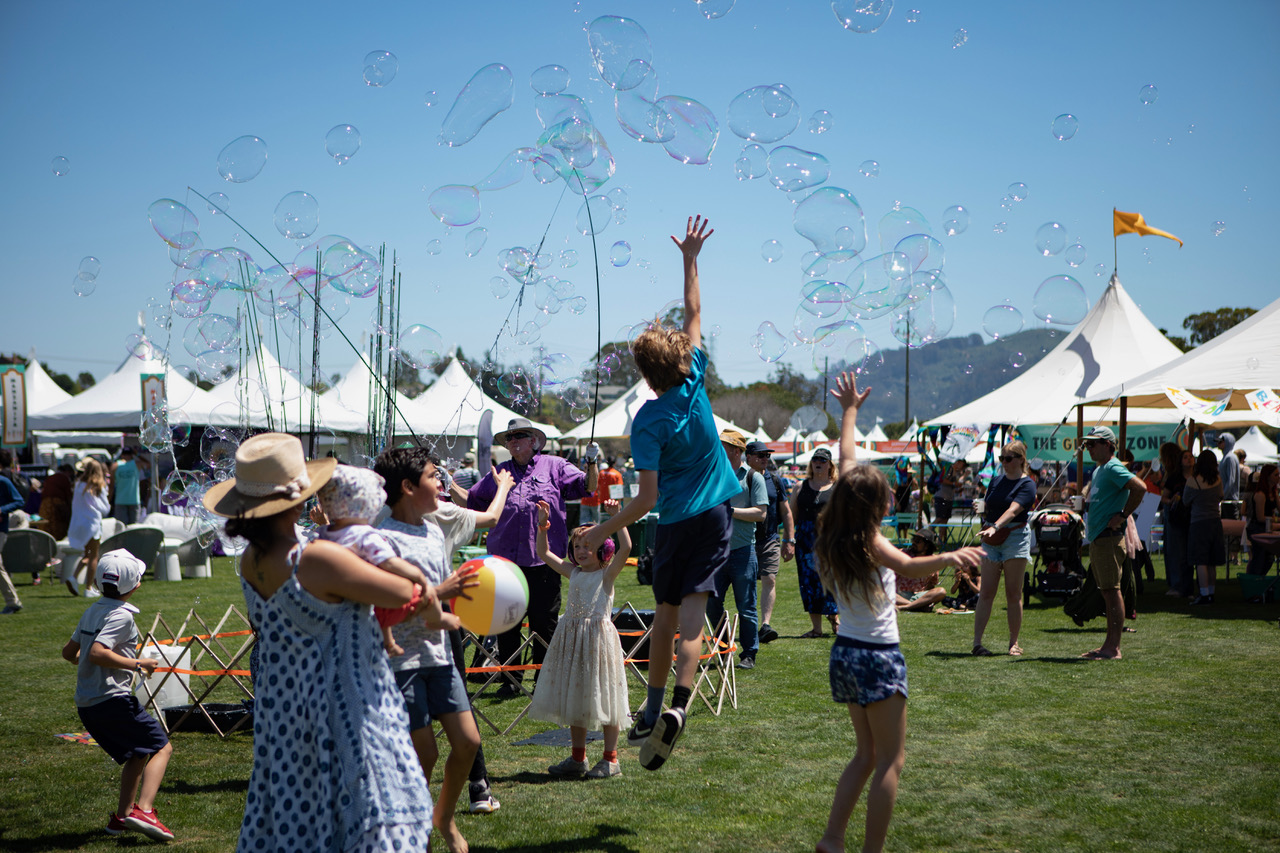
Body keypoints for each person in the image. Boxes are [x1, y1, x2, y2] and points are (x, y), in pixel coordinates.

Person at [203, 433, 437, 851]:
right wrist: (366, 540)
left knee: (304, 821)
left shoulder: (250, 559)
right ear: (294, 501)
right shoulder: (315, 558)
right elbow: (402, 592)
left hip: (286, 713)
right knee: (370, 811)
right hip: (343, 705)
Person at [580, 214, 740, 772]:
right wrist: (691, 257)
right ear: (679, 361)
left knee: (665, 617)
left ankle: (650, 707)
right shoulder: (695, 378)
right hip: (716, 516)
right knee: (693, 620)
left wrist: (601, 528)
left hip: (672, 522)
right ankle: (677, 707)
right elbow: (695, 313)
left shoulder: (647, 421)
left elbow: (644, 501)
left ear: (647, 376)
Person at [815, 372, 982, 853]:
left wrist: (849, 412)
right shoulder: (870, 540)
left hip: (845, 654)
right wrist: (949, 557)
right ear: (875, 506)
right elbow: (909, 564)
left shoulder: (832, 538)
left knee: (865, 755)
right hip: (878, 657)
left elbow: (847, 462)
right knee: (891, 761)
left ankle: (831, 839)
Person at [376, 447, 513, 819]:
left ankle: (443, 816)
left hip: (439, 654)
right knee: (425, 753)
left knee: (468, 741)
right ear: (407, 486)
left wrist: (449, 603)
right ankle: (410, 825)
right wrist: (441, 596)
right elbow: (384, 600)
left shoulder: (435, 528)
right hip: (401, 658)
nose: (443, 483)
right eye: (434, 476)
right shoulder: (382, 537)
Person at [465, 419, 597, 697]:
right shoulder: (500, 473)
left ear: (534, 441)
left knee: (543, 623)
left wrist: (592, 461)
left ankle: (545, 681)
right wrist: (446, 483)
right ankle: (510, 682)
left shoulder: (555, 466)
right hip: (505, 563)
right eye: (509, 437)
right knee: (507, 622)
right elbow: (472, 501)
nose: (513, 440)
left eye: (519, 435)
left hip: (544, 561)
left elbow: (588, 487)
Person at [61, 549, 175, 840]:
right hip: (112, 700)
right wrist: (139, 663)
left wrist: (85, 659)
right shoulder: (121, 616)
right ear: (135, 585)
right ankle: (145, 811)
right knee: (162, 748)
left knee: (138, 753)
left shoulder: (92, 610)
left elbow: (69, 652)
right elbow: (98, 652)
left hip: (88, 704)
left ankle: (122, 817)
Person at [531, 498, 632, 778]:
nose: (582, 550)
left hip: (599, 641)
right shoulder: (572, 571)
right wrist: (542, 524)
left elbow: (627, 548)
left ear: (603, 548)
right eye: (577, 546)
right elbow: (543, 553)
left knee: (607, 696)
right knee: (576, 696)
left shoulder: (607, 574)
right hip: (572, 640)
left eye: (588, 545)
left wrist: (617, 517)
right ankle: (578, 759)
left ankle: (610, 759)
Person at [314, 464, 448, 657]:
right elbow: (389, 562)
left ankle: (390, 641)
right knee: (411, 597)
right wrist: (417, 575)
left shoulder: (323, 534)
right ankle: (435, 619)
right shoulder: (366, 536)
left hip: (334, 613)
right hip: (368, 610)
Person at [1080, 426, 1147, 658]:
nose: (1088, 448)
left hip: (1109, 540)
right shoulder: (1101, 469)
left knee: (1112, 591)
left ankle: (1113, 648)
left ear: (1108, 445)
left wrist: (1123, 515)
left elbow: (1140, 487)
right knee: (1107, 591)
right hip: (1101, 539)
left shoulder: (1113, 466)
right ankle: (1109, 645)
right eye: (1086, 444)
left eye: (1093, 444)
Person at [707, 429, 766, 670]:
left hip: (743, 551)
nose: (718, 449)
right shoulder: (714, 474)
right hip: (715, 553)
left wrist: (730, 512)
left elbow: (761, 514)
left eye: (723, 446)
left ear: (736, 451)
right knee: (711, 604)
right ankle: (723, 649)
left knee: (746, 607)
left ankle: (748, 653)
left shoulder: (753, 477)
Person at [971, 441, 1037, 657]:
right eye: (1002, 459)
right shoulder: (996, 481)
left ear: (1021, 460)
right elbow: (991, 505)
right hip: (991, 537)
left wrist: (996, 526)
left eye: (1008, 459)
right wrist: (981, 508)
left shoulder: (1027, 484)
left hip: (1015, 537)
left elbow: (1013, 510)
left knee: (1013, 593)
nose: (1004, 463)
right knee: (986, 592)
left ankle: (1013, 643)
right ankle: (977, 643)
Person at [745, 440, 794, 645]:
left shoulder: (775, 480)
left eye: (767, 455)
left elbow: (786, 511)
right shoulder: (741, 479)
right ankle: (748, 624)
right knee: (745, 584)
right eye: (760, 455)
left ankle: (765, 625)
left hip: (770, 539)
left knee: (770, 579)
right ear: (748, 457)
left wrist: (789, 539)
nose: (765, 459)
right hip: (745, 540)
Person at [791, 447, 841, 637]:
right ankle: (816, 629)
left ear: (830, 465)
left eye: (822, 460)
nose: (818, 462)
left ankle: (835, 619)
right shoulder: (800, 487)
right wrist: (788, 540)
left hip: (829, 540)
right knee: (808, 582)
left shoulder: (837, 488)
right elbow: (791, 516)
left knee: (831, 580)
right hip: (805, 541)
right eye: (815, 460)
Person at [1184, 449, 1227, 605]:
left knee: (1200, 560)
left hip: (1198, 523)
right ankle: (1211, 593)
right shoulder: (1218, 479)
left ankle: (1203, 594)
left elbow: (1185, 501)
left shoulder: (1192, 481)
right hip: (1215, 521)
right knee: (1211, 561)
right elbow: (1221, 496)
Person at [66, 458, 112, 598]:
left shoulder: (79, 484)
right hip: (92, 525)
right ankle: (88, 587)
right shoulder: (98, 487)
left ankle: (73, 578)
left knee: (87, 555)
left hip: (80, 524)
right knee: (94, 557)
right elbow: (105, 509)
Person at [1158, 444, 1194, 597]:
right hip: (1178, 515)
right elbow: (1165, 496)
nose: (1189, 459)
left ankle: (1181, 585)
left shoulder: (1193, 476)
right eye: (1185, 457)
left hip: (1188, 516)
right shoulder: (1175, 477)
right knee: (1178, 550)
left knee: (1180, 551)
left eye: (1190, 457)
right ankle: (1178, 584)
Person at [894, 528, 949, 612]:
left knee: (941, 591)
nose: (914, 543)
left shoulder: (933, 562)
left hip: (919, 596)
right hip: (899, 594)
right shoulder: (902, 553)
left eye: (918, 541)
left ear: (927, 546)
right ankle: (916, 606)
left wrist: (927, 597)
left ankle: (908, 606)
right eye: (913, 540)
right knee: (882, 592)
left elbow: (931, 585)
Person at [0, 460, 27, 615]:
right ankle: (12, 602)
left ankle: (13, 602)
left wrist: (2, 510)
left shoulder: (3, 482)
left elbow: (19, 501)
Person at [1245, 463, 1278, 576]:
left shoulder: (1273, 492)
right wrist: (1275, 521)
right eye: (1276, 475)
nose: (1278, 477)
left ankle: (1258, 582)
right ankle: (1254, 583)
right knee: (1259, 558)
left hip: (1266, 527)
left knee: (1268, 559)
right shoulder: (1260, 494)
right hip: (1257, 528)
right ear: (1268, 476)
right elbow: (1260, 517)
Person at [37, 462, 75, 541]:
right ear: (67, 472)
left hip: (45, 505)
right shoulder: (64, 478)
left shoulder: (50, 477)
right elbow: (68, 495)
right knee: (57, 528)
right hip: (57, 505)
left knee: (45, 526)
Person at [110, 448, 147, 525]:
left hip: (120, 500)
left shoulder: (115, 466)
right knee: (133, 527)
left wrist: (109, 500)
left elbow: (111, 486)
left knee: (121, 527)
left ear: (122, 455)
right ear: (131, 455)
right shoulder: (137, 464)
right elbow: (149, 464)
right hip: (134, 500)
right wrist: (138, 454)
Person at [933, 459, 967, 525]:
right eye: (963, 465)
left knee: (945, 520)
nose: (962, 468)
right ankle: (928, 531)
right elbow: (943, 480)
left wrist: (957, 490)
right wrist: (955, 484)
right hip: (941, 497)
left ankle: (941, 535)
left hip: (948, 498)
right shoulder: (949, 469)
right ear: (958, 462)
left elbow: (950, 487)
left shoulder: (955, 472)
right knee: (940, 518)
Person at [1217, 433, 1240, 500]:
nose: (1218, 443)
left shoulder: (1230, 457)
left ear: (1228, 442)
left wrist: (1223, 496)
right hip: (1227, 497)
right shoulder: (1225, 457)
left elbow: (1231, 480)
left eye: (1220, 441)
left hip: (1230, 499)